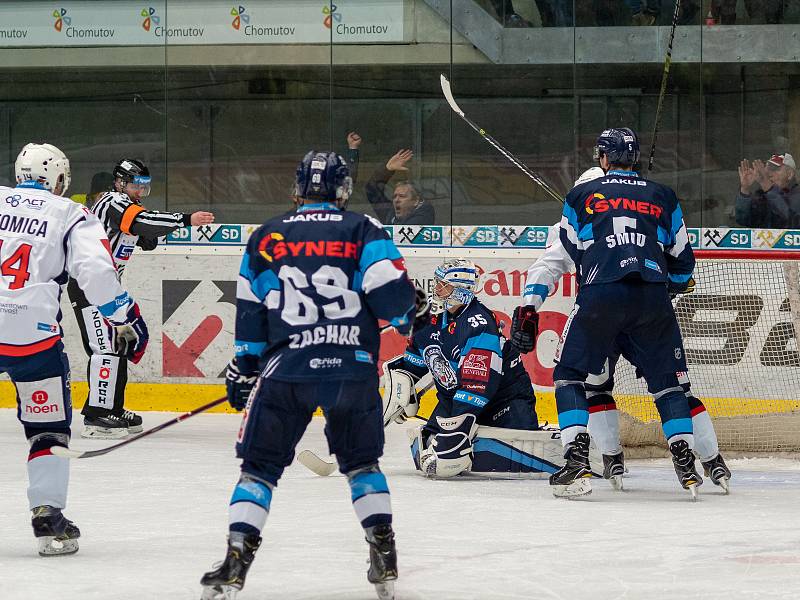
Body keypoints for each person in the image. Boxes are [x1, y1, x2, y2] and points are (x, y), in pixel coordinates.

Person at [200, 151, 417, 600]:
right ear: (344, 189)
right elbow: (395, 303)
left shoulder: (266, 237)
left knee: (258, 470)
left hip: (287, 371)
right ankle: (384, 555)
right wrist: (406, 316)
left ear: (297, 188)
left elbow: (251, 311)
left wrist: (244, 365)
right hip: (352, 370)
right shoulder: (364, 230)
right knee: (362, 466)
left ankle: (236, 560)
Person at [509, 165, 731, 493]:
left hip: (601, 308)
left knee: (586, 384)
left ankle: (607, 458)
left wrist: (529, 306)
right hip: (647, 304)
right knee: (673, 387)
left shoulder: (571, 216)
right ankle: (709, 459)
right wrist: (673, 282)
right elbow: (678, 257)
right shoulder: (647, 204)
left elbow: (548, 266)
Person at [1, 143, 149, 555]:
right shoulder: (70, 214)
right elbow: (98, 274)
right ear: (59, 179)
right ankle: (48, 519)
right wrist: (125, 317)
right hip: (32, 336)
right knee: (46, 429)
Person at [542, 127, 700, 498]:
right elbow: (683, 261)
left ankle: (576, 458)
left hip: (601, 293)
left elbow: (570, 247)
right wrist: (668, 287)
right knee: (668, 384)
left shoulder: (580, 194)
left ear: (603, 158)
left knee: (569, 376)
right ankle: (685, 460)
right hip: (652, 296)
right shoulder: (663, 194)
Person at [66, 159, 215, 439]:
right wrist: (186, 220)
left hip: (106, 288)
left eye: (145, 186)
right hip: (89, 287)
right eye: (136, 185)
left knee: (120, 344)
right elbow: (141, 222)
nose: (140, 191)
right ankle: (97, 415)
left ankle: (113, 408)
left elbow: (145, 235)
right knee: (105, 348)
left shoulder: (126, 205)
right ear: (120, 182)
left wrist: (148, 231)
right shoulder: (113, 201)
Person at [382, 259, 551, 479]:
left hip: (504, 402)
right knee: (426, 448)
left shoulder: (479, 324)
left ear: (462, 289)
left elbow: (477, 384)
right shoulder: (430, 323)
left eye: (445, 285)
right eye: (437, 283)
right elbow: (413, 364)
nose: (437, 289)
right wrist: (401, 390)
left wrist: (460, 427)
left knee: (515, 455)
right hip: (454, 400)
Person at [365, 149, 435, 225]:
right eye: (394, 196)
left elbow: (406, 231)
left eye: (402, 196)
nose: (396, 200)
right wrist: (387, 169)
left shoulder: (425, 211)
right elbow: (371, 190)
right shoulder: (390, 213)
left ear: (416, 201)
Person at [735, 153, 800, 228]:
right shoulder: (762, 194)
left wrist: (767, 185)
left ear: (789, 174)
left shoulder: (797, 194)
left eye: (775, 170)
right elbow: (743, 220)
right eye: (768, 169)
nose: (769, 173)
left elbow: (791, 220)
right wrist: (744, 190)